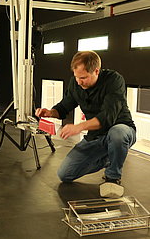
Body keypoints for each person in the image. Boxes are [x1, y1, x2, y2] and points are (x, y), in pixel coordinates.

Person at [35, 51, 136, 198]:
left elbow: (108, 117)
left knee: (117, 134)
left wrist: (79, 127)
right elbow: (64, 107)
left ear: (96, 71)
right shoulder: (76, 84)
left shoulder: (114, 80)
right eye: (76, 77)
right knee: (65, 174)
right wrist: (50, 112)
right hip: (96, 137)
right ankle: (111, 157)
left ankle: (113, 177)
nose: (78, 82)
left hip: (121, 129)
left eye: (83, 78)